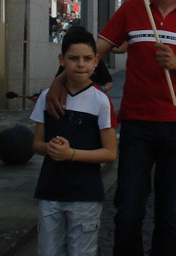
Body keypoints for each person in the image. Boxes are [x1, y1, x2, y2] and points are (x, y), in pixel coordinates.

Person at [46, 0, 176, 255]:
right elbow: (95, 51)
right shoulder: (131, 9)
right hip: (137, 123)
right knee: (127, 212)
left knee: (170, 215)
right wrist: (59, 80)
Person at [31, 26, 118, 256]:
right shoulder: (47, 98)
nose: (80, 64)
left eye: (87, 58)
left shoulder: (101, 101)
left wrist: (72, 154)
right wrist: (49, 149)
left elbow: (110, 153)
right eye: (73, 58)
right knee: (48, 251)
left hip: (85, 194)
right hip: (50, 191)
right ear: (62, 60)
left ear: (96, 61)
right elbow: (36, 144)